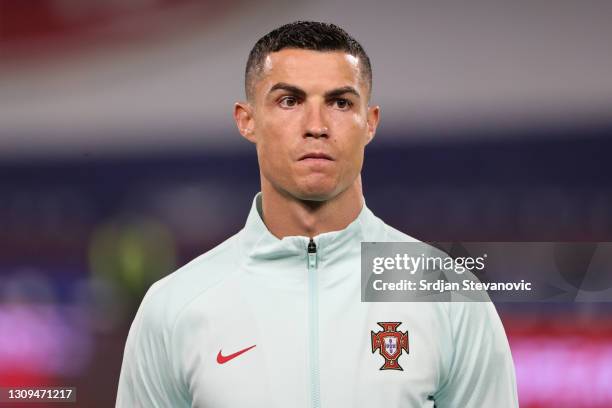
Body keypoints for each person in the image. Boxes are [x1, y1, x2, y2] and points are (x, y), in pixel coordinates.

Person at [116, 21, 518, 407]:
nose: (316, 126)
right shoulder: (175, 307)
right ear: (247, 120)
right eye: (289, 101)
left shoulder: (446, 292)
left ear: (370, 123)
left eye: (340, 103)